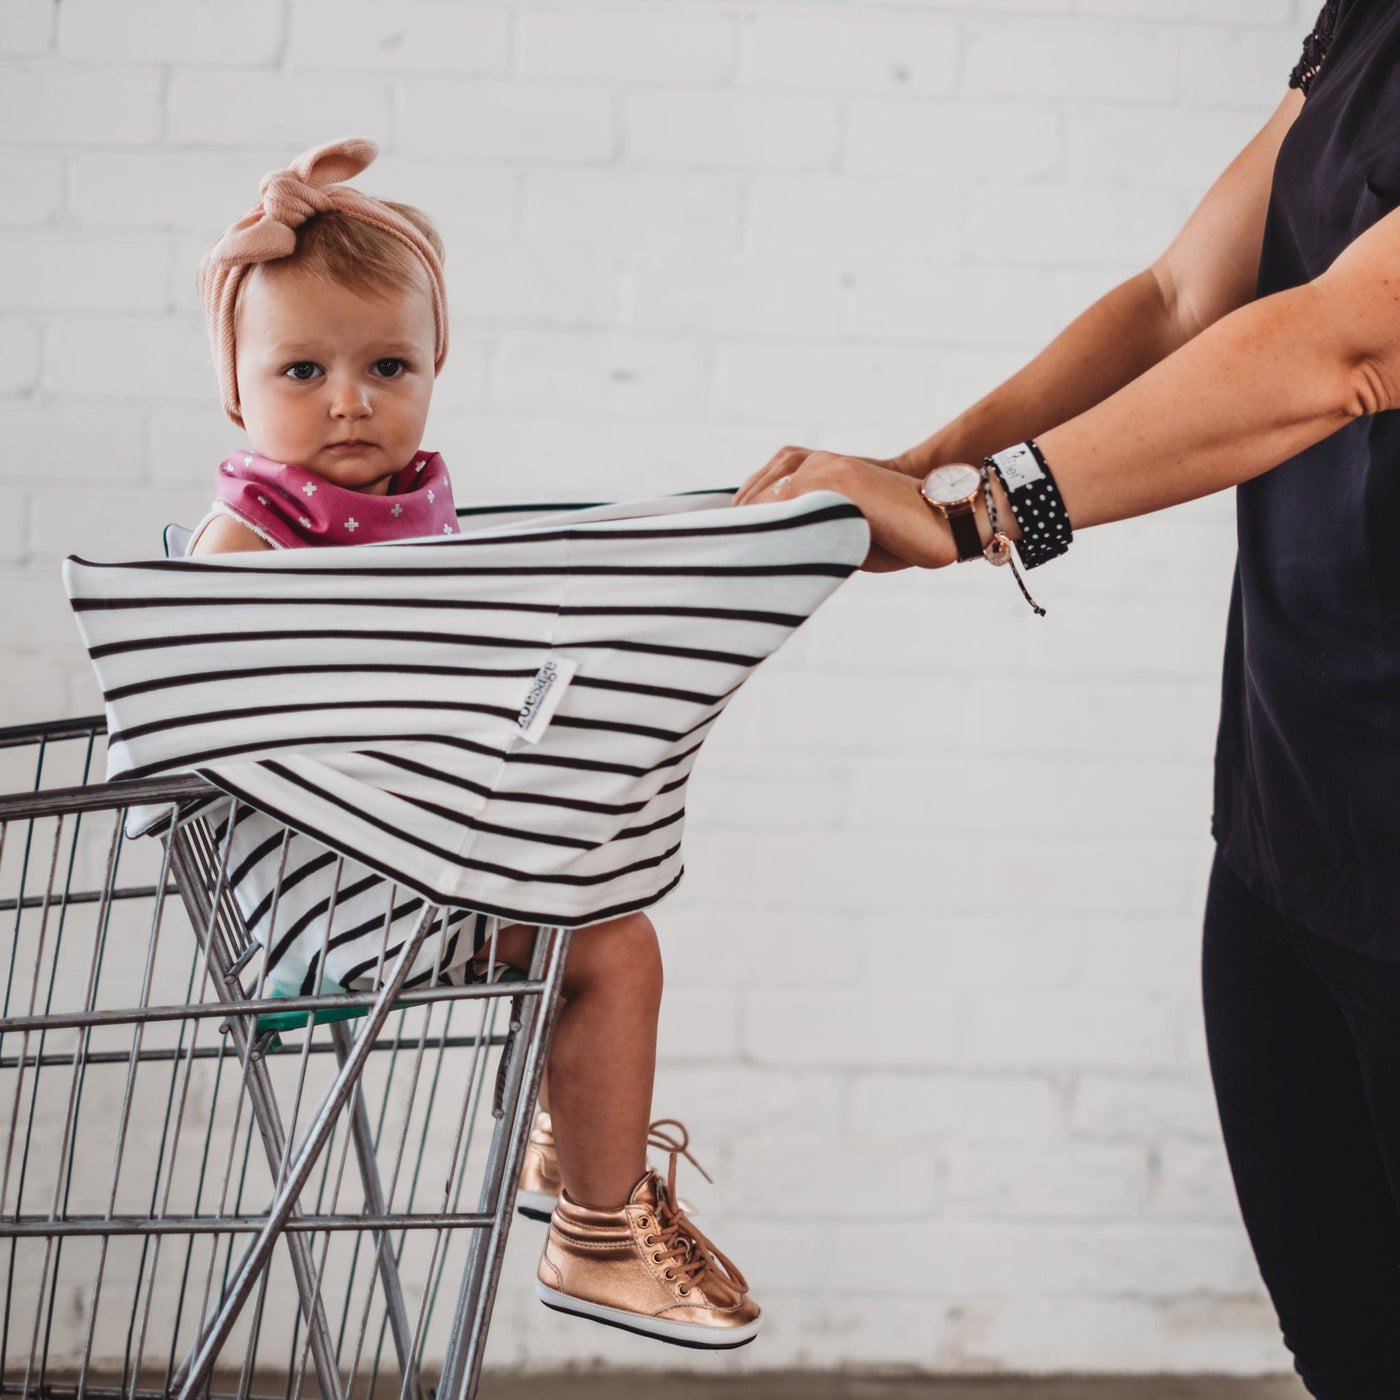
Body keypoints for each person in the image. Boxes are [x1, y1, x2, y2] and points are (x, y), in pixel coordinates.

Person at [740, 3, 1400, 1394]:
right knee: (1347, 1346)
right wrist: (914, 476)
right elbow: (1182, 296)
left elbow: (1343, 347)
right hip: (1297, 818)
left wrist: (984, 511)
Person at [191, 137, 759, 1349]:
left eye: (386, 363)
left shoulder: (413, 509)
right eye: (301, 368)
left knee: (594, 905)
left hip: (404, 862)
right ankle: (596, 1229)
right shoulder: (255, 525)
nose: (349, 397)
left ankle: (571, 1147)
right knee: (609, 940)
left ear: (435, 363)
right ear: (235, 388)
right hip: (326, 890)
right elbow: (197, 682)